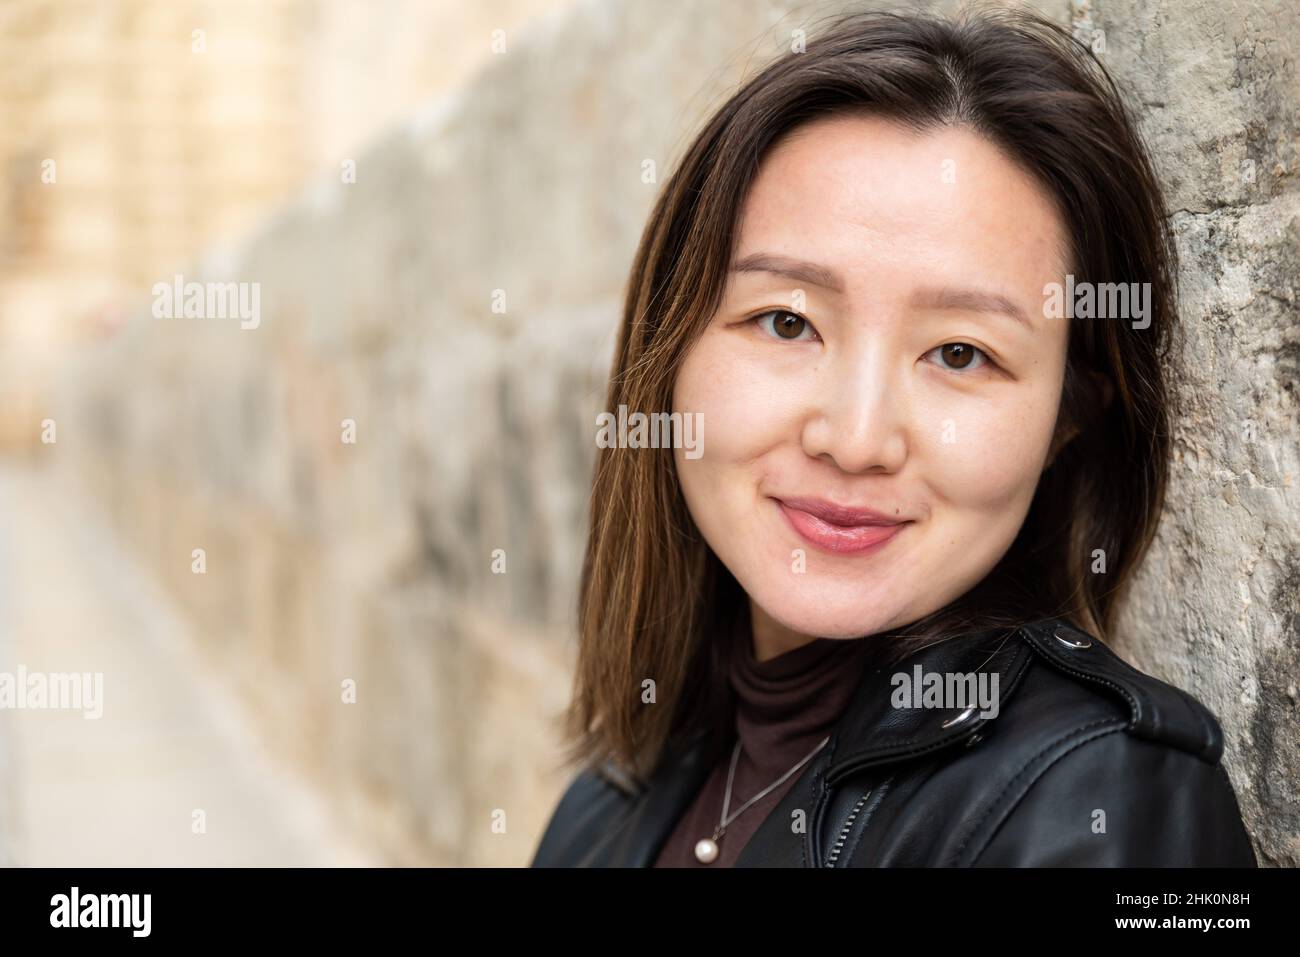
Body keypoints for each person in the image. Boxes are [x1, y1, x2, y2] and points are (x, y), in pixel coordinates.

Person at [530, 7, 1257, 867]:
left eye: (960, 352)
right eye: (787, 323)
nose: (856, 436)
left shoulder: (1106, 799)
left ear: (1069, 418)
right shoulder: (612, 794)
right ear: (670, 348)